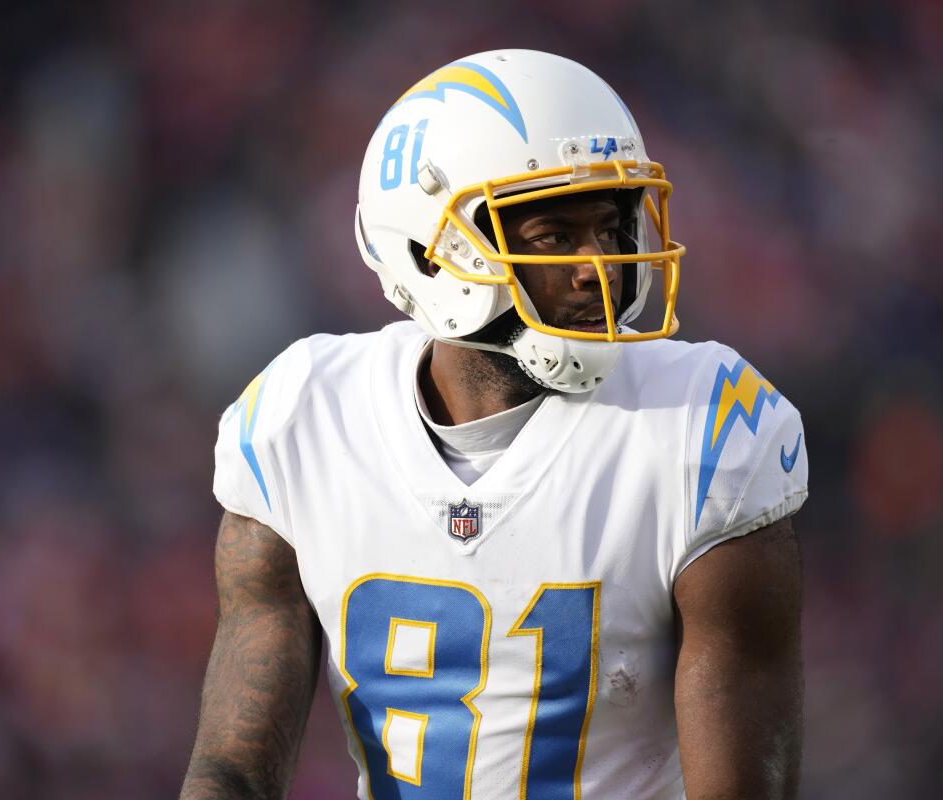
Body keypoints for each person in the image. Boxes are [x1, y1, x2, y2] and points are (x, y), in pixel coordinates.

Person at [180, 49, 808, 800]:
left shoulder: (699, 427)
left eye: (609, 227)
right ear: (429, 252)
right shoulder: (303, 419)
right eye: (552, 234)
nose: (597, 265)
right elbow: (232, 771)